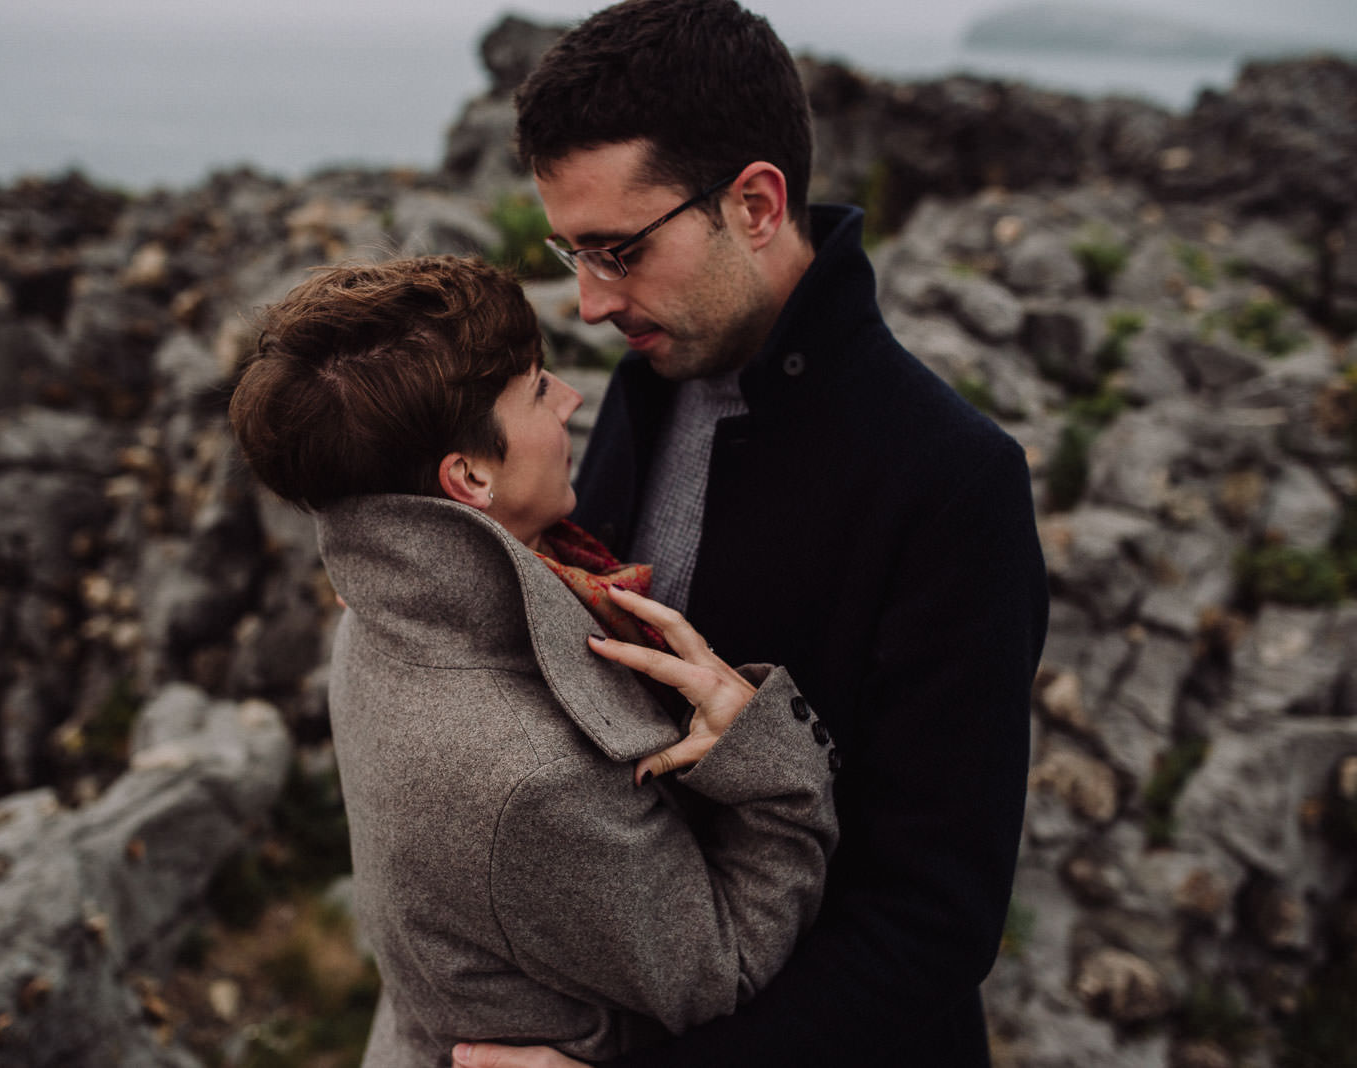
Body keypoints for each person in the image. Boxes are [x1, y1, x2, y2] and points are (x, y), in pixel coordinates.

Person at [452, 1, 1050, 1066]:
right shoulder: (643, 388)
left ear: (758, 202)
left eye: (618, 250)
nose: (589, 304)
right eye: (570, 252)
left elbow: (931, 926)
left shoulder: (956, 483)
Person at [228, 255, 841, 1066]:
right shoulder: (533, 779)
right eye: (539, 388)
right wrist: (770, 765)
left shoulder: (378, 619)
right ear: (470, 477)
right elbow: (721, 968)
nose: (572, 398)